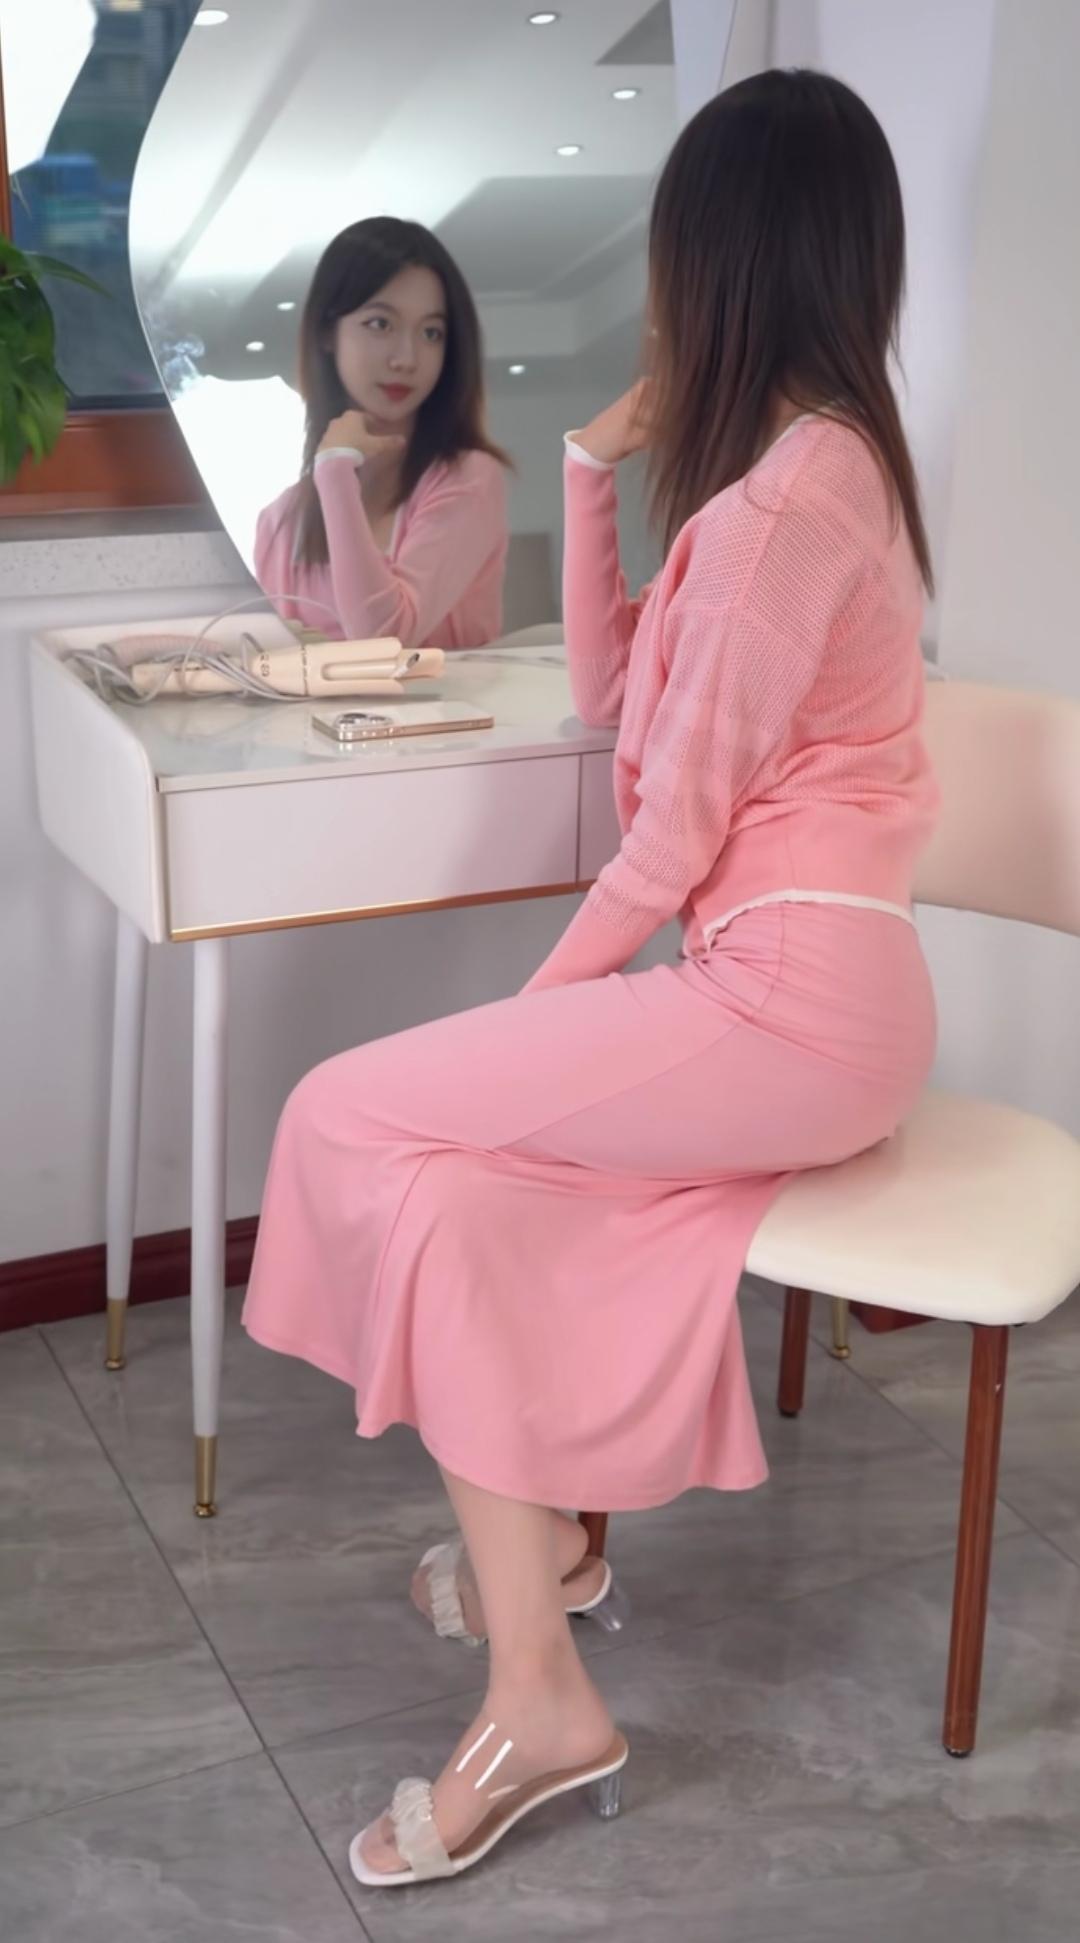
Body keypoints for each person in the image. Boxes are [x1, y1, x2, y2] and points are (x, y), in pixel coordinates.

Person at [242, 70, 940, 1887]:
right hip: (798, 991)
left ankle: (544, 1649)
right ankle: (541, 1604)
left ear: (720, 259)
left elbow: (668, 837)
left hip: (786, 998)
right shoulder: (811, 476)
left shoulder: (791, 506)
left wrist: (534, 1016)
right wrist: (584, 470)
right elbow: (620, 708)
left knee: (348, 1113)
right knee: (458, 1194)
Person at [255, 216, 510, 650]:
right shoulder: (281, 523)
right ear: (327, 332)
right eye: (380, 324)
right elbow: (270, 663)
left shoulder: (467, 478)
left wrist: (335, 471)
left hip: (453, 699)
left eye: (431, 333)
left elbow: (385, 636)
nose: (406, 358)